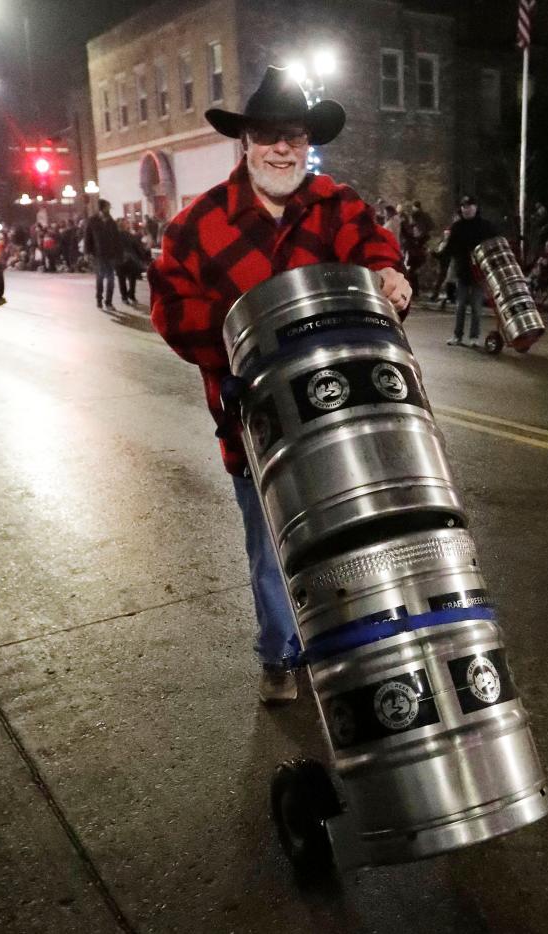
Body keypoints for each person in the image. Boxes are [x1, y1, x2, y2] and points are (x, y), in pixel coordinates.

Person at [148, 65, 410, 704]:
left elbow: (372, 247)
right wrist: (246, 336)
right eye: (269, 135)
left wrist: (388, 272)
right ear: (246, 142)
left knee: (351, 539)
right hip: (256, 424)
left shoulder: (334, 204)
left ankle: (351, 647)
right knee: (272, 551)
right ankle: (280, 656)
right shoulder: (196, 224)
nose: (282, 147)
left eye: (293, 134)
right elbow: (171, 311)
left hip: (338, 414)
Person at [443, 195, 496, 347]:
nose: (467, 209)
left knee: (476, 307)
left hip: (479, 272)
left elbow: (493, 243)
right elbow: (450, 247)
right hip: (463, 271)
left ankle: (474, 336)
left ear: (476, 207)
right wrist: (441, 255)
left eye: (470, 206)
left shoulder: (485, 226)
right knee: (460, 307)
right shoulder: (457, 227)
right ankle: (457, 336)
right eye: (464, 206)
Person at [84, 199, 123, 310]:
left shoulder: (111, 222)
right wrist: (87, 252)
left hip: (110, 254)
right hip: (98, 255)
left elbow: (117, 239)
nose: (109, 209)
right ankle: (99, 299)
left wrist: (119, 254)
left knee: (111, 278)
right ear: (102, 208)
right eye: (108, 207)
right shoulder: (92, 221)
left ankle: (109, 302)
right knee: (100, 278)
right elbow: (88, 238)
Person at [115, 219, 147, 305]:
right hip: (130, 259)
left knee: (123, 279)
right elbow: (137, 247)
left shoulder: (114, 236)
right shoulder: (130, 236)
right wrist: (142, 257)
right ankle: (130, 295)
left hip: (120, 260)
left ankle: (125, 296)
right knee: (131, 278)